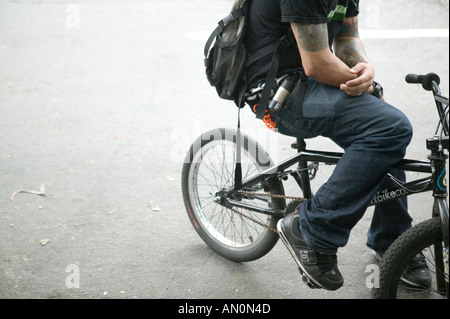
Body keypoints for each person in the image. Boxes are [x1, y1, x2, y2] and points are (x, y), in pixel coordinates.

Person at [244, 0, 431, 291]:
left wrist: (364, 68)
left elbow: (346, 37)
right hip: (276, 92)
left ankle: (392, 239)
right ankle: (311, 229)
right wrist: (368, 85)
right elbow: (317, 63)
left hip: (309, 81)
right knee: (389, 127)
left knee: (384, 125)